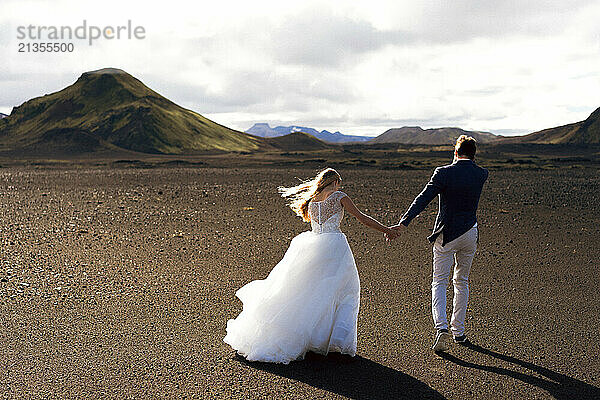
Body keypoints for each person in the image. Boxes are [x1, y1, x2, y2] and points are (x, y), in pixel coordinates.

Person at [224, 168, 395, 364]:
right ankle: (328, 340)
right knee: (341, 291)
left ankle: (309, 337)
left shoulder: (313, 200)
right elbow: (362, 218)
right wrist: (386, 229)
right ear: (336, 181)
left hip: (313, 245)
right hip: (334, 247)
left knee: (310, 292)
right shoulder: (339, 196)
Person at [387, 135, 488, 352]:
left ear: (455, 152)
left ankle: (441, 328)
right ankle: (458, 331)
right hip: (471, 232)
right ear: (473, 154)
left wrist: (403, 223)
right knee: (461, 281)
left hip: (446, 234)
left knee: (439, 282)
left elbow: (423, 199)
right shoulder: (481, 174)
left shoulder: (444, 173)